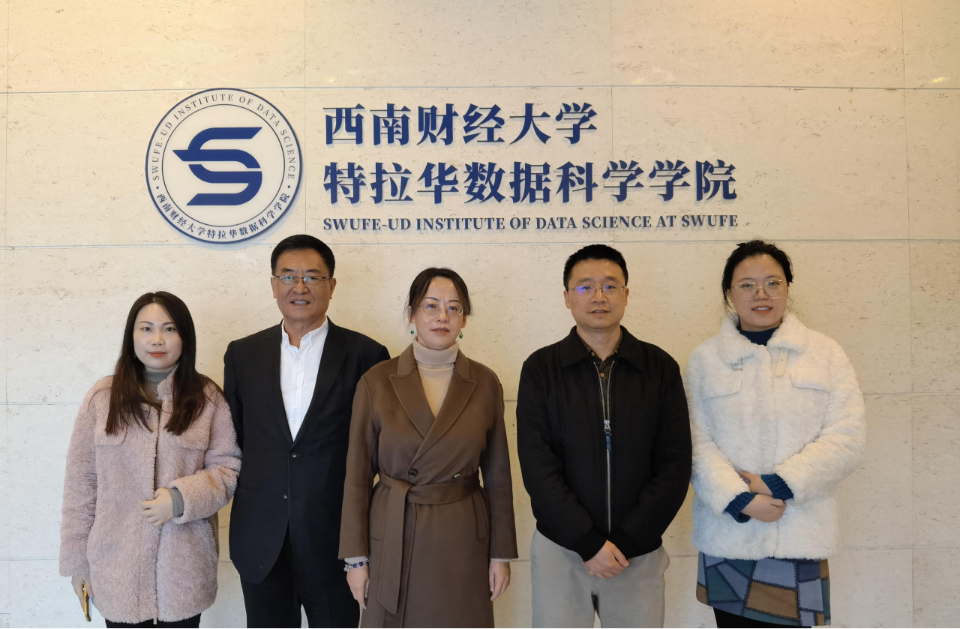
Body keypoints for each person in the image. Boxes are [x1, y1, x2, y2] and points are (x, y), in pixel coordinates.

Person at [686, 240, 866, 628]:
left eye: (773, 282)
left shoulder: (825, 353)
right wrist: (739, 499)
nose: (761, 294)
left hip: (800, 534)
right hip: (730, 534)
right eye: (747, 285)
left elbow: (846, 437)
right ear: (729, 293)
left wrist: (778, 483)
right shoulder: (705, 359)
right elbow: (694, 443)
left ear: (787, 287)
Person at [517, 244, 692, 629]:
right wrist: (586, 542)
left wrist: (628, 542)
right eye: (585, 287)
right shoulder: (541, 369)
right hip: (561, 551)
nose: (599, 296)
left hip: (637, 554)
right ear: (567, 297)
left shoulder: (659, 367)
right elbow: (537, 466)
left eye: (610, 286)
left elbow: (675, 464)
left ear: (626, 294)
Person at [224, 234, 389, 628]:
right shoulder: (243, 354)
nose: (299, 287)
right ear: (273, 284)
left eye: (312, 277)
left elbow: (377, 452)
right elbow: (236, 440)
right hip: (261, 541)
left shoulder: (368, 356)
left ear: (331, 286)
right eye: (288, 276)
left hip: (334, 541)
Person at [339, 267, 518, 629]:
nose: (442, 316)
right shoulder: (377, 381)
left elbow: (499, 477)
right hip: (395, 530)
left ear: (464, 318)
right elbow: (357, 477)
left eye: (454, 308)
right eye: (431, 305)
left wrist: (500, 555)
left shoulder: (485, 382)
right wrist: (356, 559)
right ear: (412, 314)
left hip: (463, 534)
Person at [60, 292, 241, 628]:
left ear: (185, 337)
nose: (157, 339)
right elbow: (80, 484)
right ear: (132, 336)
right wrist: (77, 563)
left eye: (169, 329)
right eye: (146, 328)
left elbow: (228, 468)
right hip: (115, 568)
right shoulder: (102, 398)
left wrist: (181, 498)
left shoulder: (207, 398)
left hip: (184, 571)